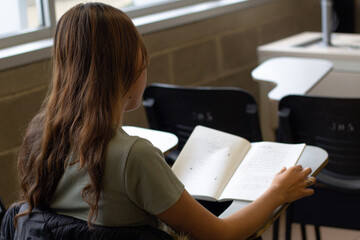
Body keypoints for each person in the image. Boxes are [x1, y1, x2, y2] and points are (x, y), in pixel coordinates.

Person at [15, 2, 316, 240]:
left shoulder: (40, 135)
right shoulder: (134, 155)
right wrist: (277, 192)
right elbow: (222, 234)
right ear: (130, 67)